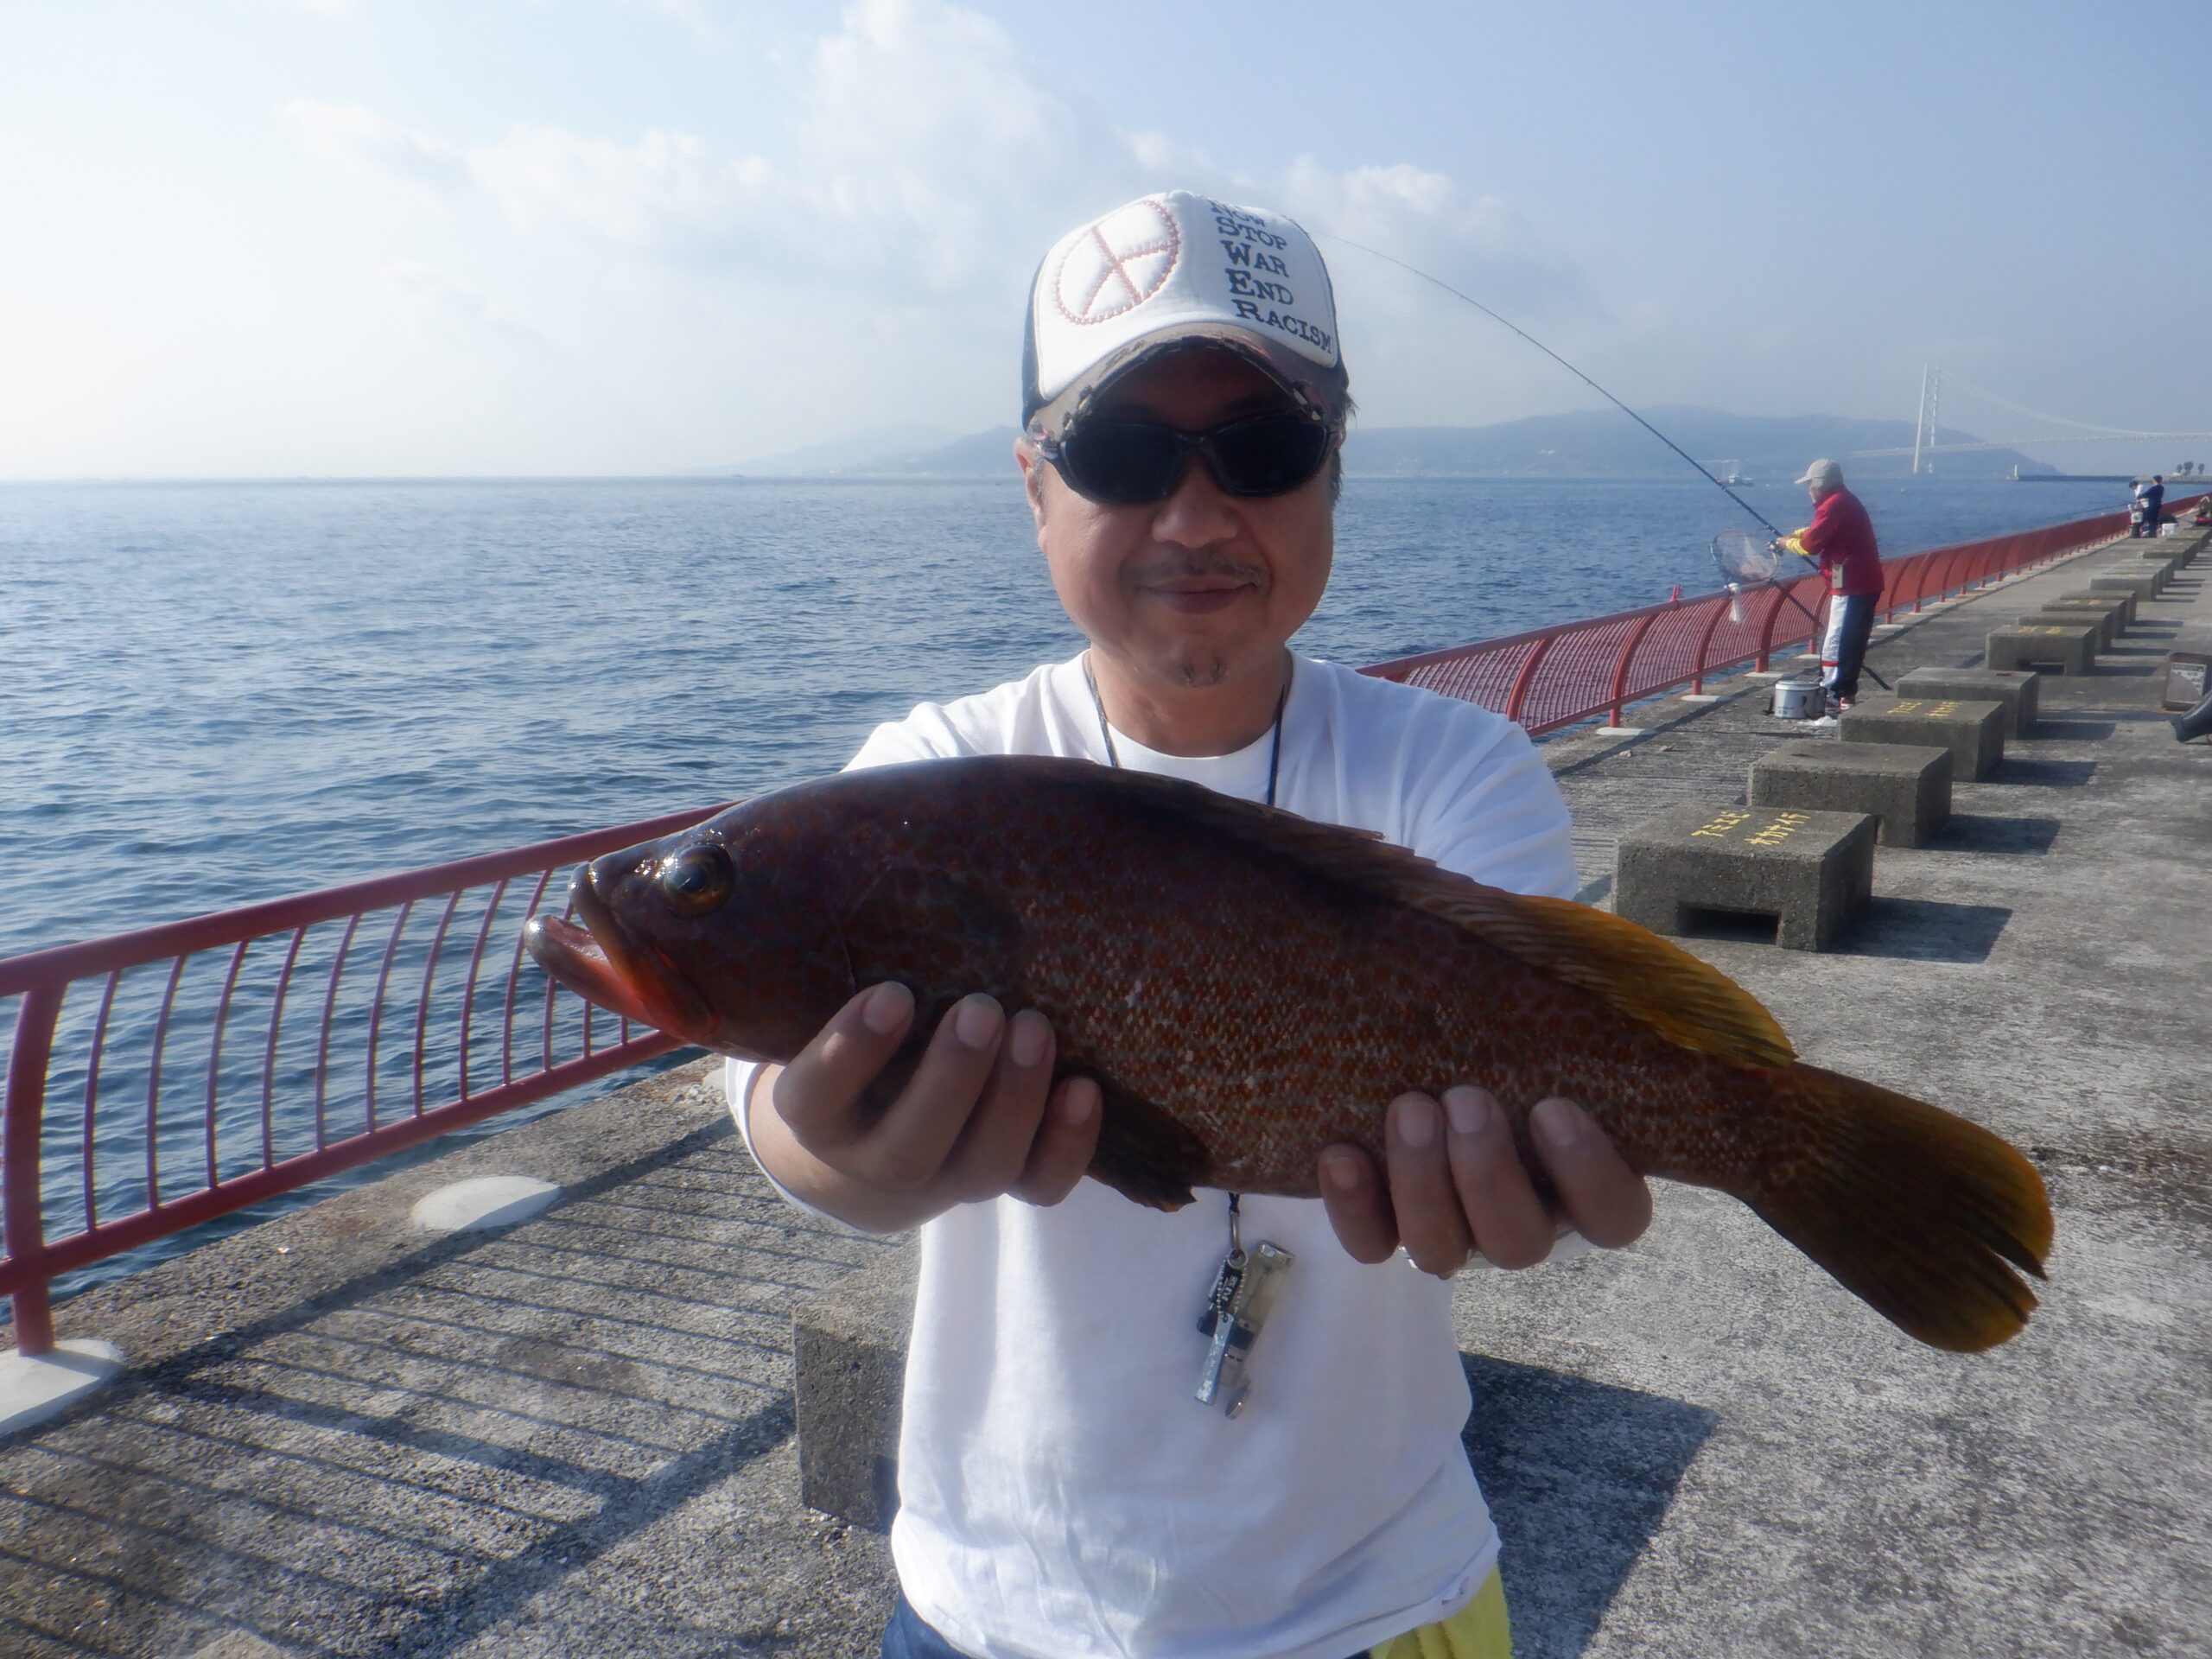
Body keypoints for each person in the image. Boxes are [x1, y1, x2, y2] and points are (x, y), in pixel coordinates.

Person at [728, 190, 1654, 1659]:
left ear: (1334, 473)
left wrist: (1543, 1181)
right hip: (996, 1611)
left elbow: (1574, 1051)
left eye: (1265, 448)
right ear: (1034, 485)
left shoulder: (1459, 775)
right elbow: (767, 1093)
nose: (1200, 514)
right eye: (1120, 452)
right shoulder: (927, 773)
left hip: (1382, 1603)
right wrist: (841, 1158)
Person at [1782, 459, 1883, 721]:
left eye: (1810, 484)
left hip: (1851, 585)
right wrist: (1796, 535)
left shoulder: (1833, 504)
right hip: (1862, 582)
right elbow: (1818, 531)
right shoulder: (1844, 500)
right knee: (1850, 640)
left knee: (1837, 642)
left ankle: (1834, 699)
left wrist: (1784, 543)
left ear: (1819, 484)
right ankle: (1843, 696)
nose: (1808, 490)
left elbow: (1811, 545)